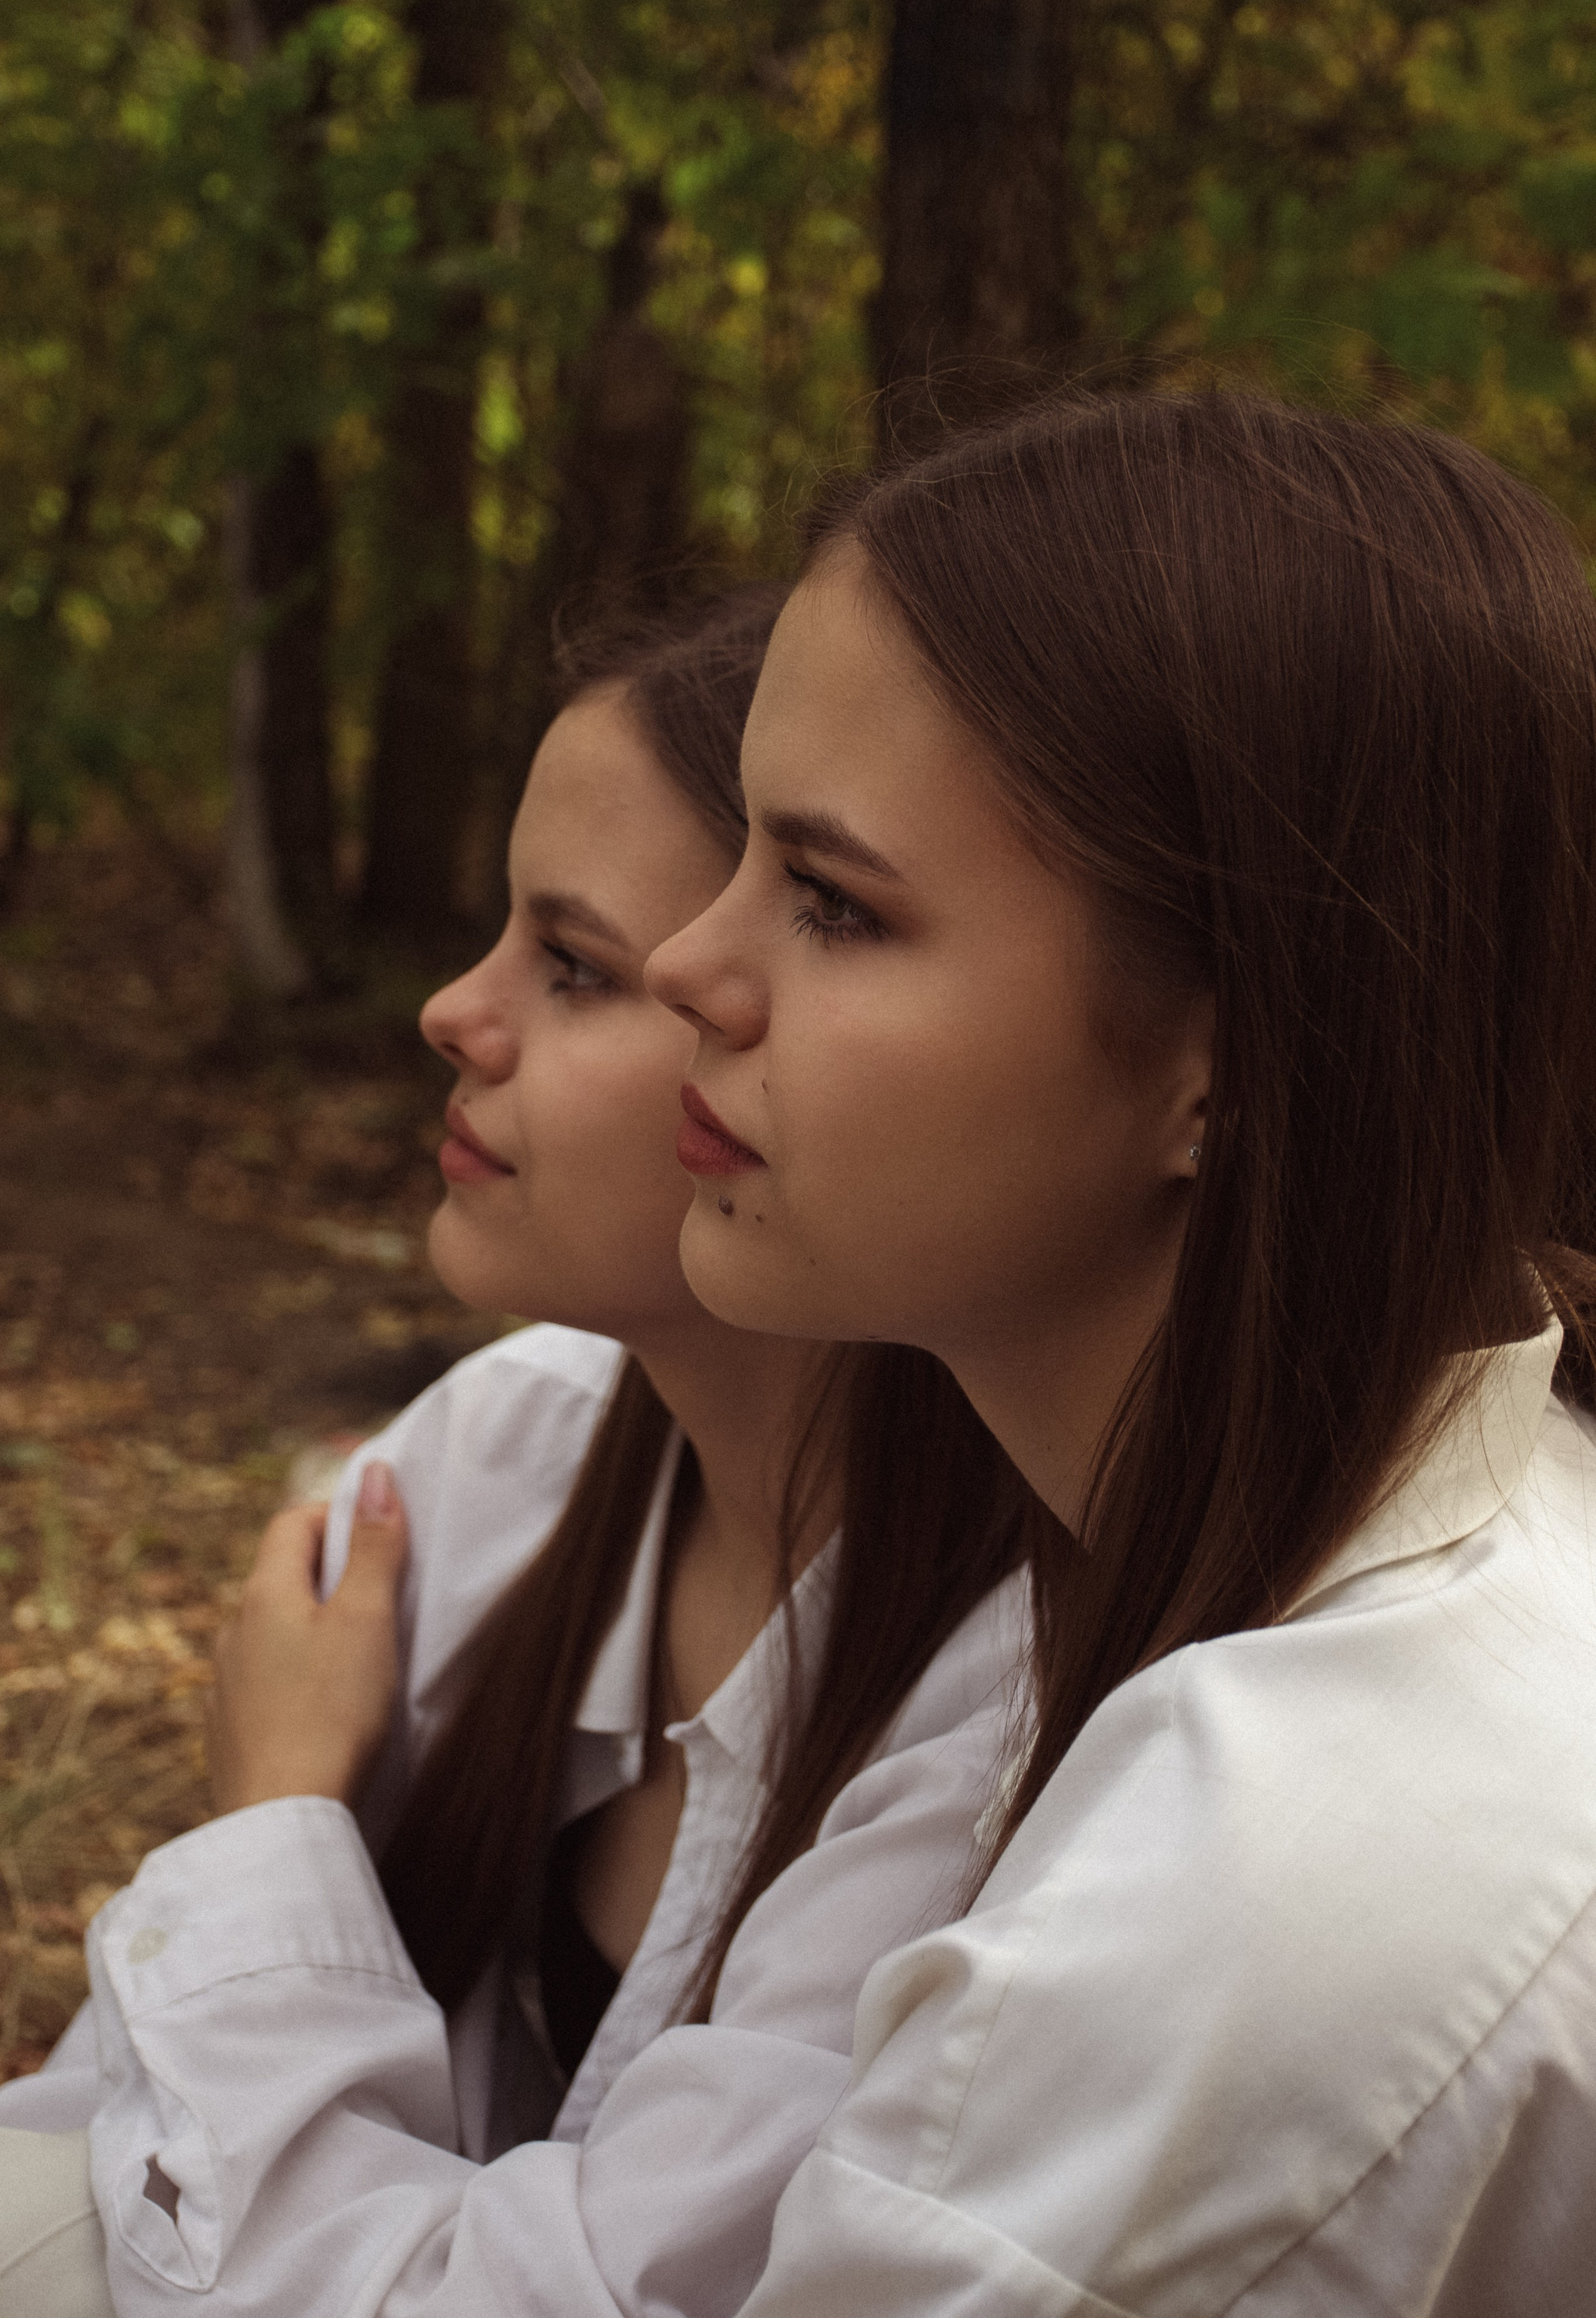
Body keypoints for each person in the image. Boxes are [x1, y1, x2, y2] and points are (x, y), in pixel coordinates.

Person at [641, 392, 1596, 2314]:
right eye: (743, 853)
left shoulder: (1279, 1888)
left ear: (1225, 1065)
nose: (689, 964)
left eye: (835, 904)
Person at [0, 588, 1037, 2318]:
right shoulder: (505, 1449)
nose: (449, 1014)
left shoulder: (1000, 1727)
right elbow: (109, 2124)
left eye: (571, 966)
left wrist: (272, 1822)